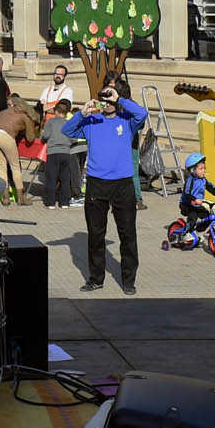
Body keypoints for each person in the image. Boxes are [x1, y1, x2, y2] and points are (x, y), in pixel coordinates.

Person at [63, 85, 148, 294]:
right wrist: (82, 113)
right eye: (104, 98)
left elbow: (142, 113)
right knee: (96, 235)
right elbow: (67, 131)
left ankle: (128, 281)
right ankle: (96, 279)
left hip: (123, 185)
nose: (107, 102)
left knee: (127, 234)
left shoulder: (127, 120)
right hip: (96, 184)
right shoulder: (91, 121)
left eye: (111, 99)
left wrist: (120, 99)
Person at [40, 99, 79, 208]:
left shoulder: (51, 122)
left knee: (51, 178)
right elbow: (74, 139)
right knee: (65, 178)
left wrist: (43, 139)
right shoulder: (69, 123)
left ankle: (51, 202)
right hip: (66, 153)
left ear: (56, 111)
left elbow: (46, 136)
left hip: (53, 152)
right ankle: (64, 202)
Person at [176, 151, 215, 229]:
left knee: (208, 216)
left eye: (204, 168)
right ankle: (187, 233)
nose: (204, 171)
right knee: (193, 216)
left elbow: (212, 189)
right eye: (201, 169)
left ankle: (198, 231)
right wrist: (194, 199)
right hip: (186, 204)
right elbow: (187, 194)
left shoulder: (203, 180)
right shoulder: (190, 180)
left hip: (196, 204)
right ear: (192, 170)